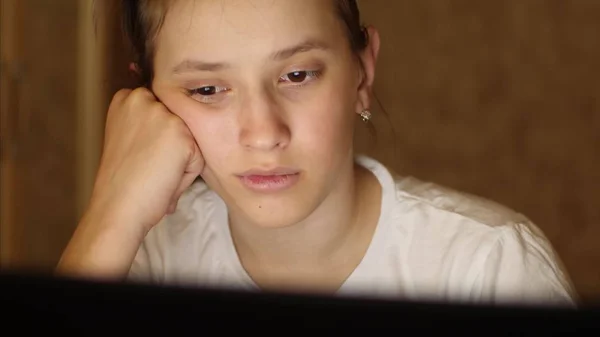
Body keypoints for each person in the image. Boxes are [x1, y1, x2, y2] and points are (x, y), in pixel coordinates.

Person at [57, 0, 577, 306]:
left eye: (297, 75)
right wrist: (111, 215)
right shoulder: (142, 257)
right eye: (208, 90)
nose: (263, 134)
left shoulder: (487, 267)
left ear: (362, 74)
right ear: (150, 103)